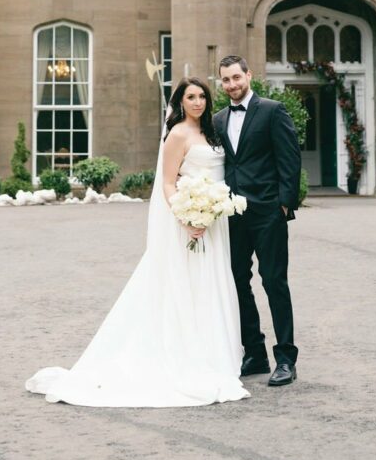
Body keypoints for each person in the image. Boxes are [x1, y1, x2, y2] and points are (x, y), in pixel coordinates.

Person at [25, 76, 249, 408]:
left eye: (202, 96)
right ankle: (186, 355)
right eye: (191, 97)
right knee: (185, 287)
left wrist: (211, 210)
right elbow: (169, 184)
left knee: (211, 285)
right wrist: (188, 218)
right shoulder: (177, 135)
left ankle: (214, 353)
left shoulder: (212, 132)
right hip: (190, 223)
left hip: (215, 224)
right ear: (180, 102)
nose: (198, 102)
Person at [213, 55, 302, 387]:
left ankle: (285, 358)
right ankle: (254, 353)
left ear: (248, 75)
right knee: (237, 282)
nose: (232, 85)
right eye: (226, 80)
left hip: (267, 211)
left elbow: (289, 159)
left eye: (237, 77)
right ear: (220, 83)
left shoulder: (272, 110)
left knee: (274, 281)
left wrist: (284, 205)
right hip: (232, 214)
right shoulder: (219, 120)